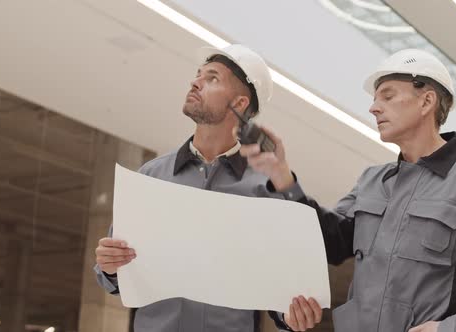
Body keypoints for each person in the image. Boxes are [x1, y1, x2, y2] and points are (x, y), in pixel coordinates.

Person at [240, 48, 456, 332]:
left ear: (426, 101)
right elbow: (329, 240)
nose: (373, 108)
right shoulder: (373, 180)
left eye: (388, 95)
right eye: (374, 99)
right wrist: (282, 178)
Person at [93, 44, 321, 332]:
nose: (195, 82)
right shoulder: (151, 176)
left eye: (211, 78)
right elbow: (111, 279)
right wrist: (109, 267)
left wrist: (290, 316)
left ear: (239, 104)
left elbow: (281, 289)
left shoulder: (266, 188)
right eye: (198, 74)